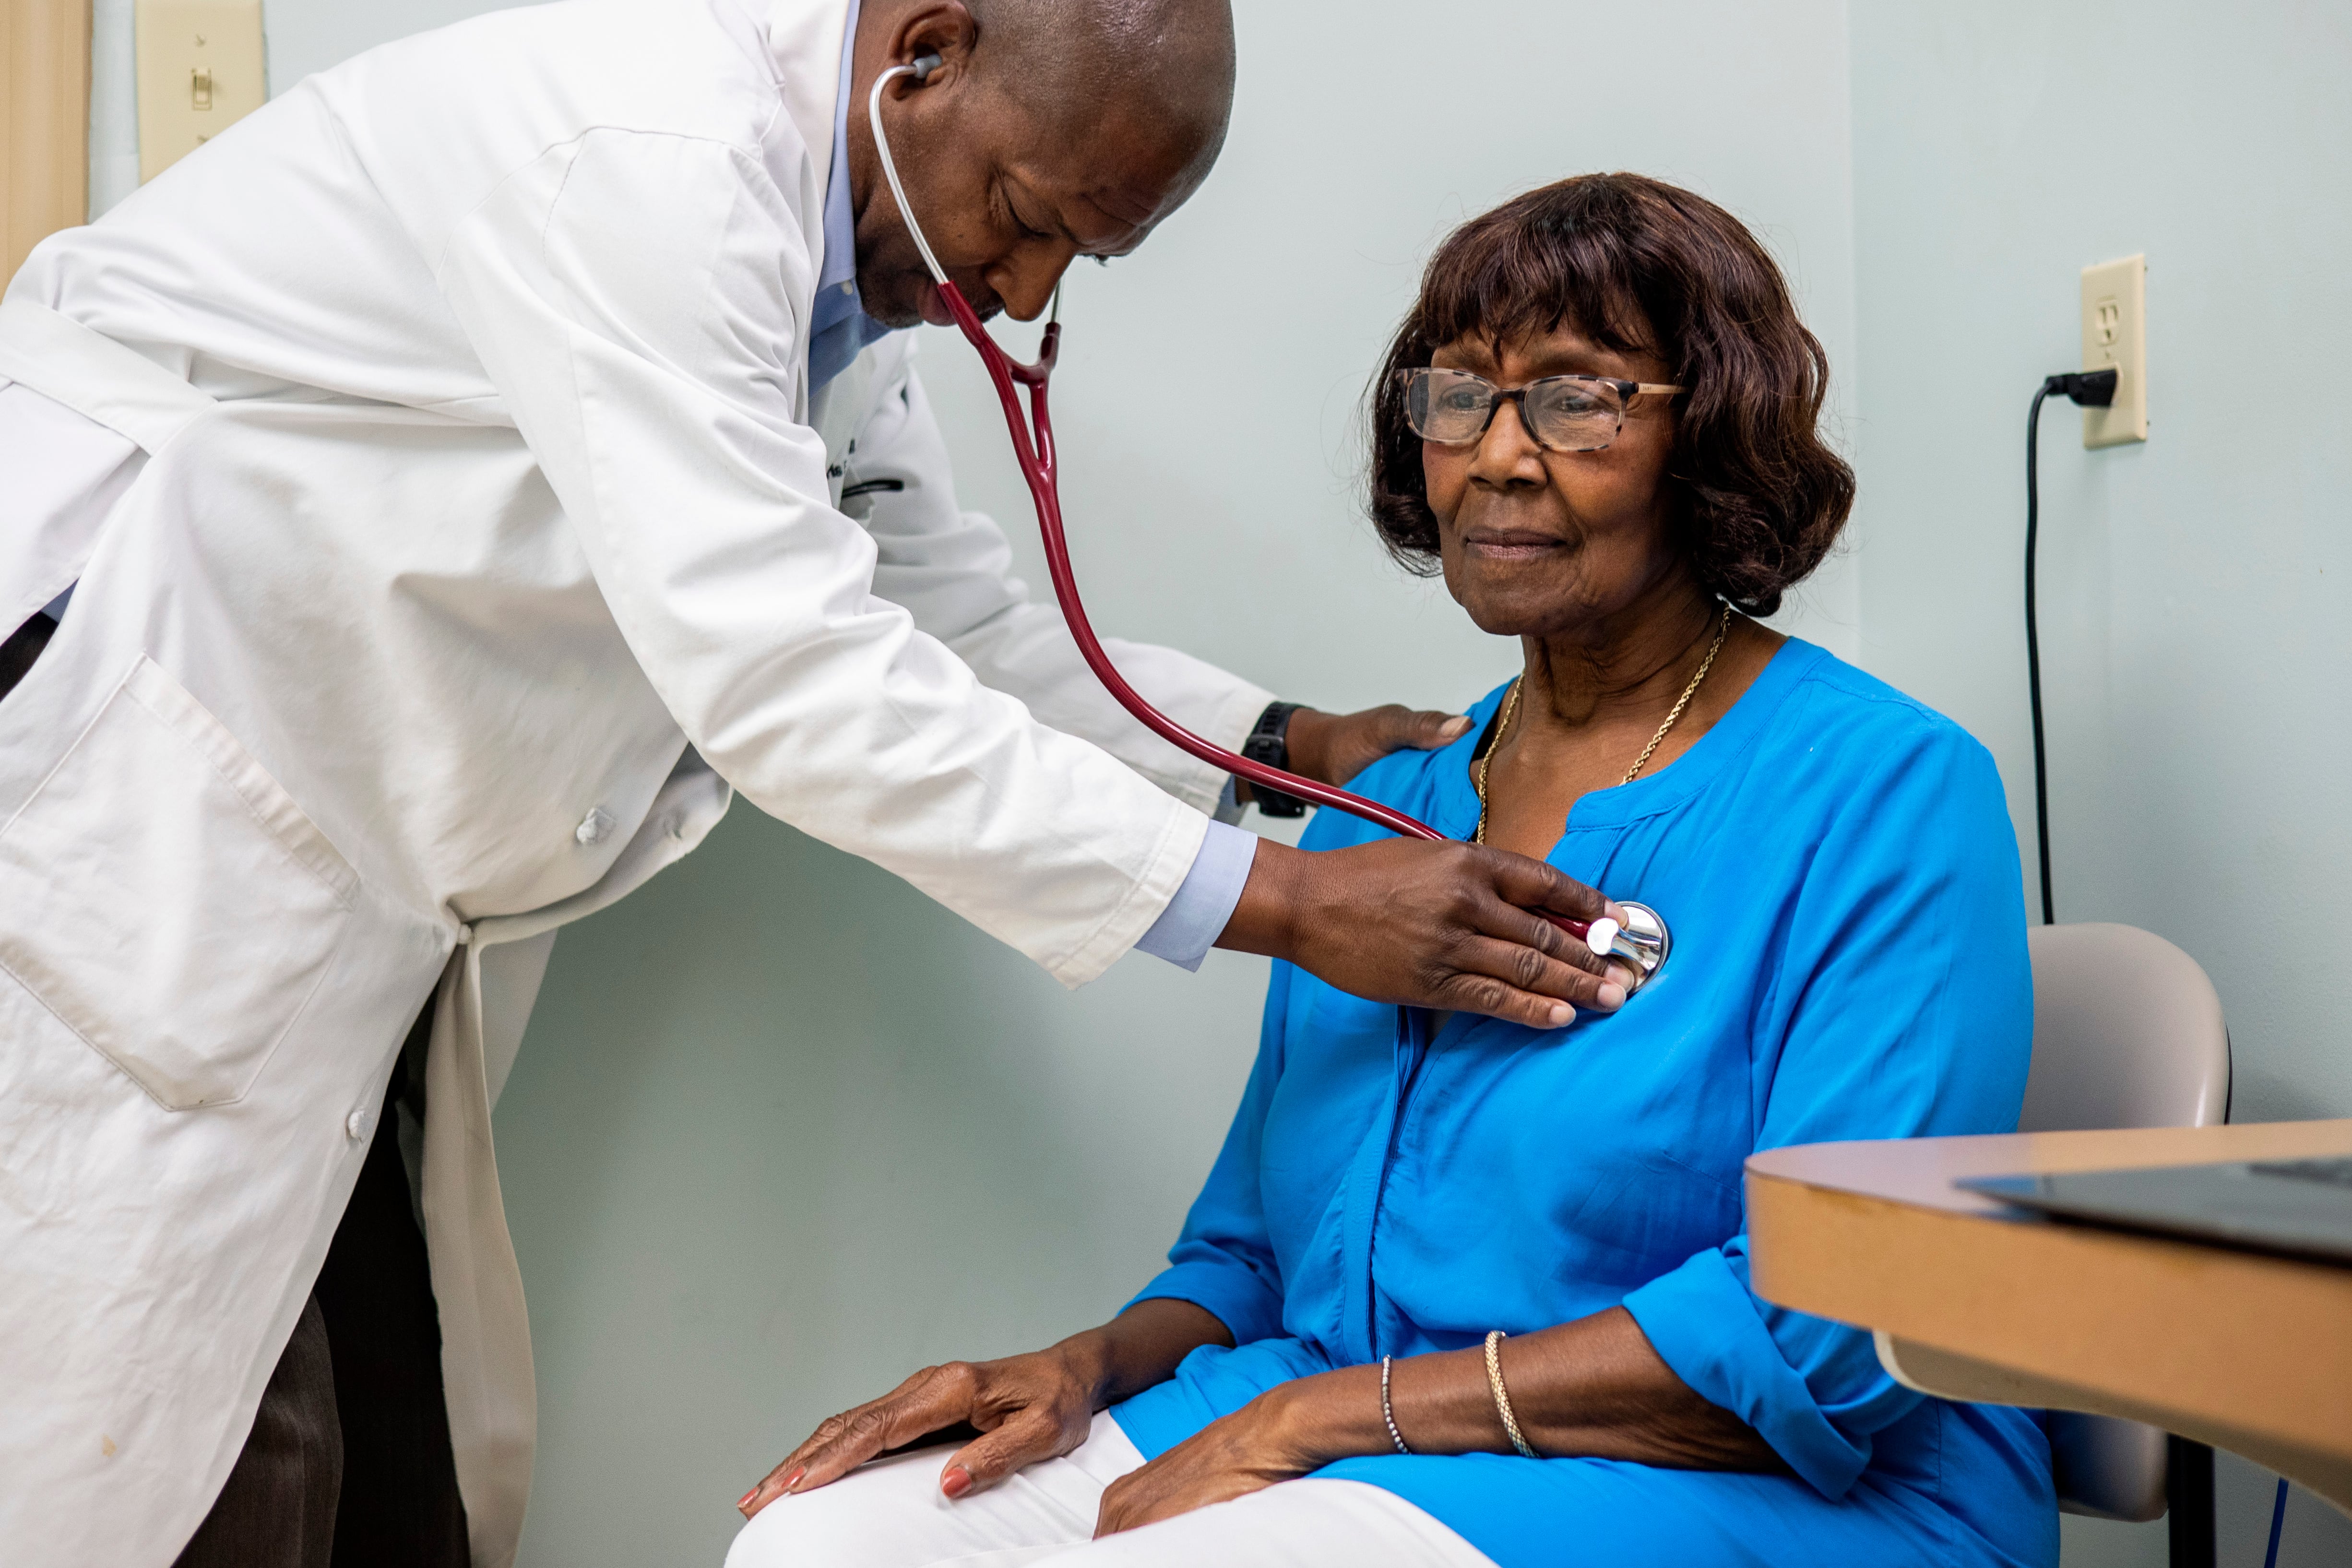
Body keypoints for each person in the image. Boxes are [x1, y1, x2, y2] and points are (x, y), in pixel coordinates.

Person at [0, 2, 1637, 1565]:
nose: (1018, 287)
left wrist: (1282, 745)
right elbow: (786, 666)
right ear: (923, 55)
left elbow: (946, 618)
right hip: (130, 807)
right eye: (1023, 213)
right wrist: (1281, 901)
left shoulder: (834, 275)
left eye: (1080, 256)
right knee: (204, 1471)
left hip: (312, 897)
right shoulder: (654, 157)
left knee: (378, 1476)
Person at [726, 173, 2056, 1568]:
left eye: (1577, 398)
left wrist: (1322, 1422)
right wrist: (1084, 1366)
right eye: (1459, 397)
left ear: (1710, 431)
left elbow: (1827, 1332)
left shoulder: (1886, 792)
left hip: (1768, 1476)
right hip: (1342, 1423)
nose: (1498, 453)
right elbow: (1249, 1253)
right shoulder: (1388, 811)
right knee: (825, 1543)